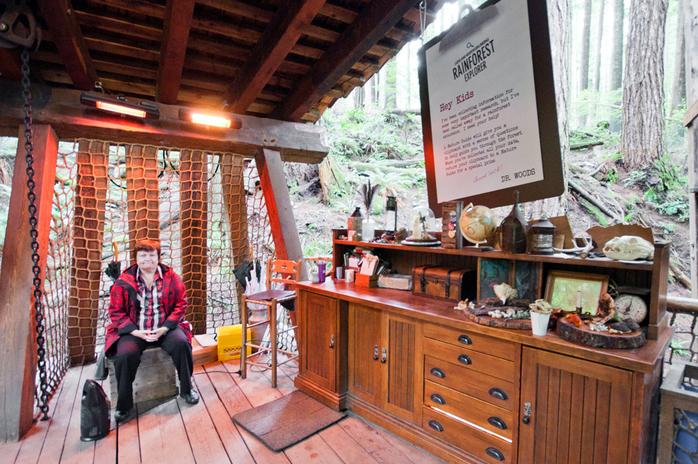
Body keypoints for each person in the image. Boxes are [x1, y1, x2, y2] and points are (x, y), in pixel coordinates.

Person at [105, 240, 199, 422]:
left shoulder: (172, 278)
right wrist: (134, 331)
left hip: (164, 328)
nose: (147, 259)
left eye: (151, 255)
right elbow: (115, 311)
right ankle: (124, 405)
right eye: (143, 255)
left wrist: (165, 328)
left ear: (158, 258)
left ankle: (187, 389)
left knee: (182, 345)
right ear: (136, 258)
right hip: (136, 331)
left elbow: (182, 303)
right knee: (124, 356)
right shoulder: (124, 282)